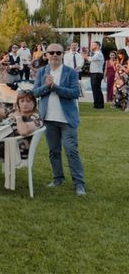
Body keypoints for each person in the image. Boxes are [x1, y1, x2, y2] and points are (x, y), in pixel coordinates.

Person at [33, 43, 86, 196]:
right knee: (53, 151)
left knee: (71, 151)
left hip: (67, 120)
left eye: (58, 52)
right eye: (51, 52)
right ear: (46, 55)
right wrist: (47, 87)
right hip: (48, 119)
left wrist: (54, 87)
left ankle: (79, 184)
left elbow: (75, 92)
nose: (55, 55)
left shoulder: (70, 72)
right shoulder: (42, 72)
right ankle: (58, 178)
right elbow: (35, 92)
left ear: (63, 54)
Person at [83, 41, 105, 109]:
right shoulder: (96, 53)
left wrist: (84, 55)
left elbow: (90, 59)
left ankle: (99, 105)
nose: (91, 46)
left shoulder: (98, 53)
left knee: (96, 89)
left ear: (97, 46)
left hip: (96, 73)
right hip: (94, 73)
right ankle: (97, 104)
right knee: (95, 89)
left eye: (93, 45)